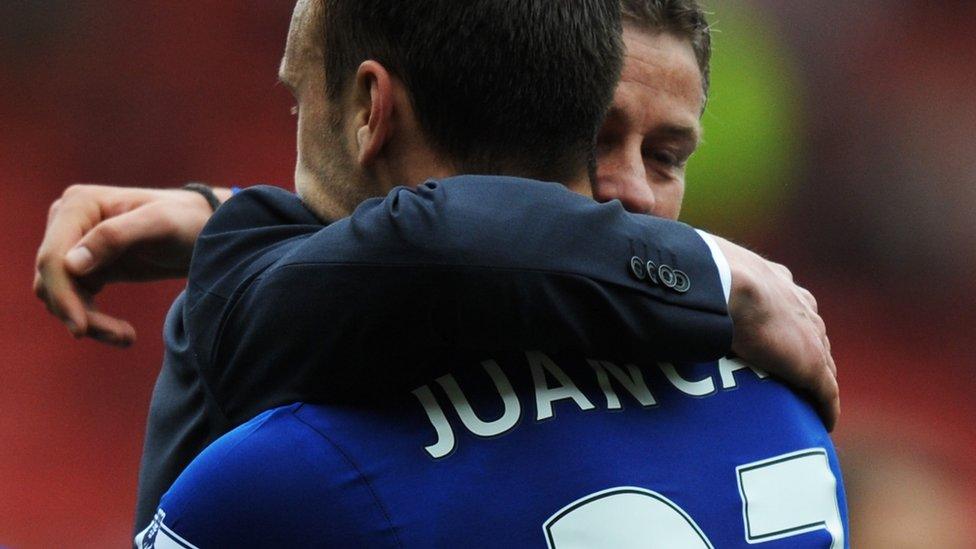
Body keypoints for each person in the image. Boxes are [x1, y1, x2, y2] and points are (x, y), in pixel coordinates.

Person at [33, 0, 842, 545]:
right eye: (593, 137)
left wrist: (238, 229)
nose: (628, 191)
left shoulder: (304, 460)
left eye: (667, 156)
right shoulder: (781, 402)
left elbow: (452, 245)